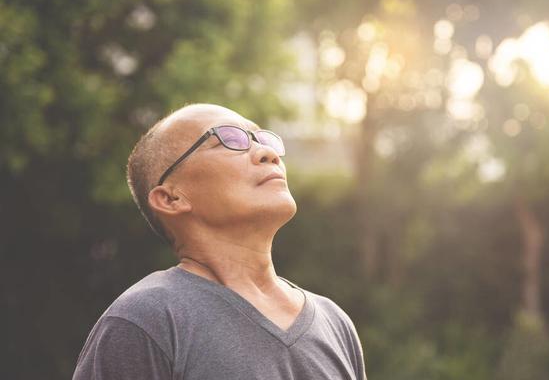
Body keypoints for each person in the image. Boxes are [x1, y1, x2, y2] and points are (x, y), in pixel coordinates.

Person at [72, 104, 367, 380]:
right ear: (171, 198)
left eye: (262, 138)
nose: (267, 153)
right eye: (229, 139)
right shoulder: (145, 320)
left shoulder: (335, 323)